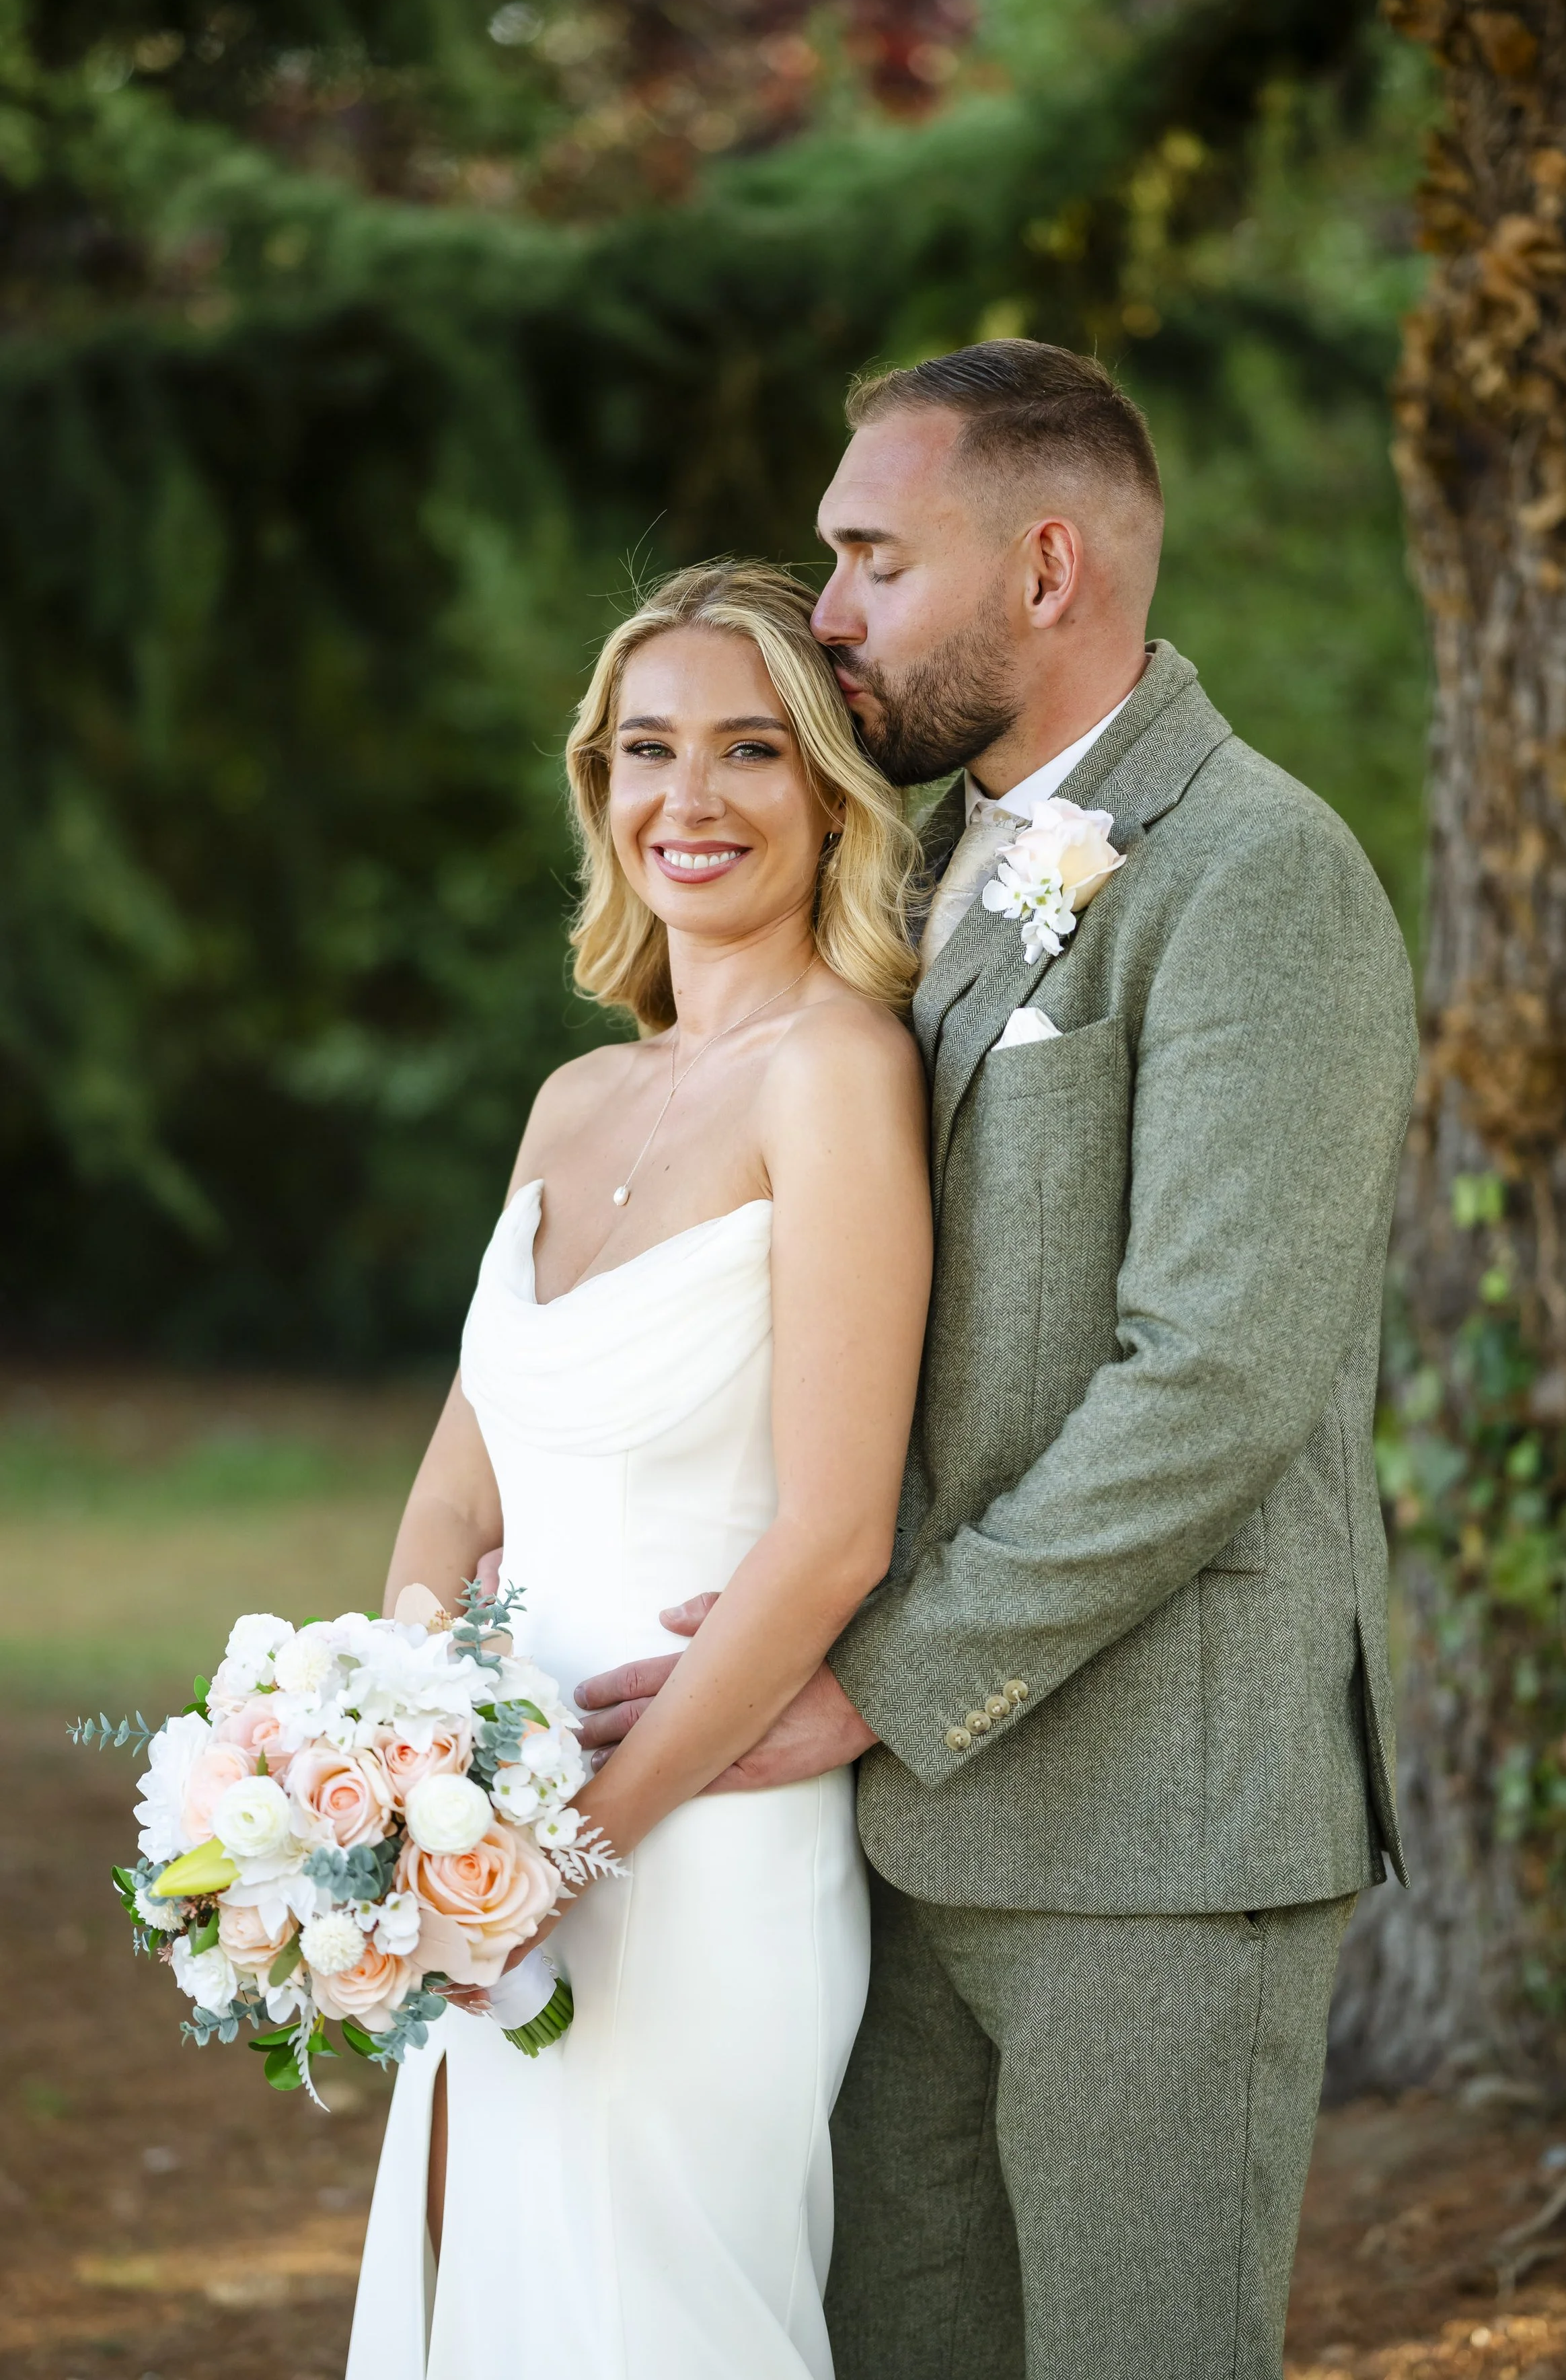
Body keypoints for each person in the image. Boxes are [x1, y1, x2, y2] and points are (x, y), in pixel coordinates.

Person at [576, 340, 1421, 2380]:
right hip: (873, 1844)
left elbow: (1208, 1381)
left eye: (871, 556)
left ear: (1044, 567)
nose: (832, 613)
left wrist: (882, 1677)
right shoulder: (922, 867)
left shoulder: (1256, 878)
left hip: (1156, 1832)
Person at [346, 561, 933, 2379]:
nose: (692, 798)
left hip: (699, 1839)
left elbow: (833, 1533)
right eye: (648, 750)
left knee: (654, 2319)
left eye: (752, 749)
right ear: (599, 787)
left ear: (831, 791)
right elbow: (460, 1482)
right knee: (484, 2298)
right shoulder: (572, 1099)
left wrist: (574, 1845)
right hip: (486, 1841)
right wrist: (405, 1774)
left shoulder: (835, 1073)